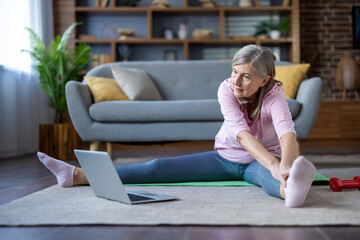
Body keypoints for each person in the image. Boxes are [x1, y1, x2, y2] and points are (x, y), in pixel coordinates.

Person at [37, 44, 316, 208]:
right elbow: (241, 135)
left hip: (262, 161)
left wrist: (286, 167)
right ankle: (75, 175)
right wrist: (275, 165)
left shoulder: (275, 94)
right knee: (157, 167)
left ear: (264, 80)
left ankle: (290, 191)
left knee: (272, 180)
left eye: (246, 77)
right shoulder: (226, 89)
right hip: (226, 158)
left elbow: (287, 133)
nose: (236, 81)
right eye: (234, 72)